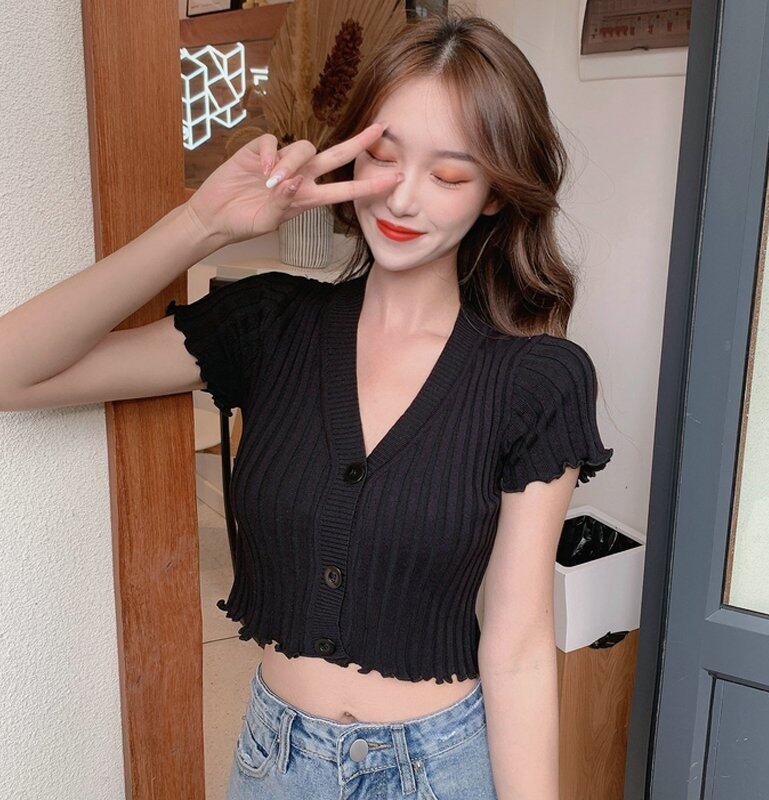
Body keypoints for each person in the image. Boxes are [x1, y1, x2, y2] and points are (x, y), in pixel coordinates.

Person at [0, 11, 614, 800]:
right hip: (274, 763)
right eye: (383, 158)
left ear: (497, 194)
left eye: (450, 176)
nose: (404, 198)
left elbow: (519, 644)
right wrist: (202, 225)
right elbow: (12, 373)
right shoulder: (269, 326)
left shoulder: (535, 381)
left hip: (440, 770)